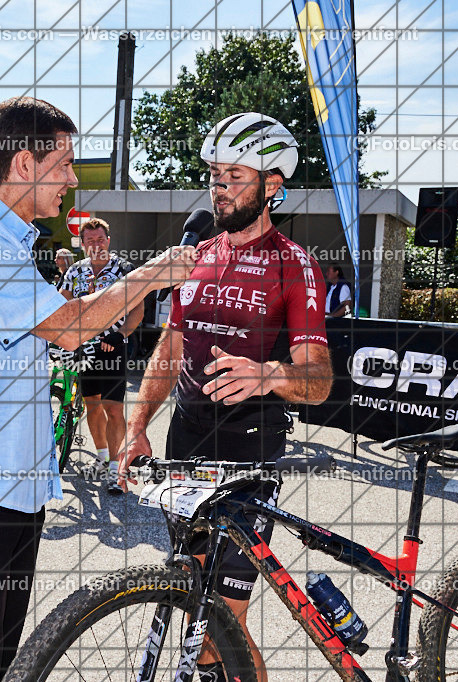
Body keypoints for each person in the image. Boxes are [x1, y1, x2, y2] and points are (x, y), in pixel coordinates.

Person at [0, 96, 196, 682]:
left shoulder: (8, 238)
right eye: (62, 163)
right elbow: (69, 326)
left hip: (6, 479)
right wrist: (156, 271)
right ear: (23, 165)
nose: (70, 180)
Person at [117, 112, 333, 682]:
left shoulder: (295, 266)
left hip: (249, 451)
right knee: (191, 606)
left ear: (274, 185)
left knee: (222, 624)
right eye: (214, 174)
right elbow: (170, 346)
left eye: (235, 175)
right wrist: (138, 425)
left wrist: (268, 374)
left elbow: (320, 379)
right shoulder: (199, 255)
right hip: (184, 443)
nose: (219, 188)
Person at [58, 219, 142, 480]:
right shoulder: (74, 271)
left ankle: (117, 469)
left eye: (100, 239)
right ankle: (103, 460)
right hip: (84, 349)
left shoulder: (123, 269)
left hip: (112, 348)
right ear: (82, 245)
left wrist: (121, 335)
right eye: (90, 241)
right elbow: (62, 305)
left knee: (113, 408)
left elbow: (138, 308)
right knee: (91, 406)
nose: (96, 245)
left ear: (109, 240)